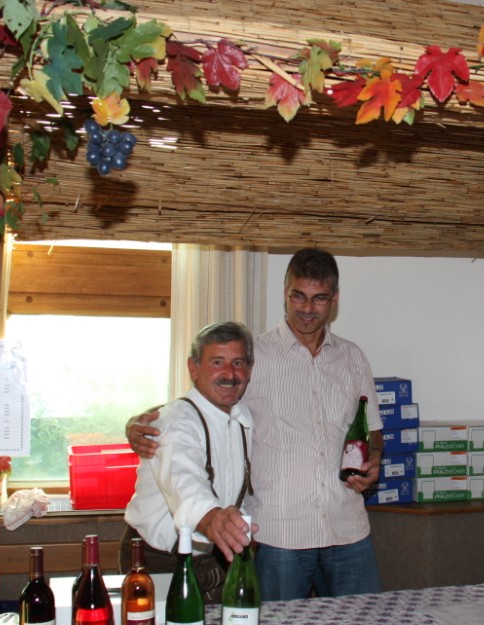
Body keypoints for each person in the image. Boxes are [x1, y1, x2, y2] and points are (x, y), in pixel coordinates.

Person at [126, 248, 384, 601]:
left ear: (334, 298)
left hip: (348, 528)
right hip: (278, 536)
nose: (307, 308)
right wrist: (139, 422)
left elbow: (372, 430)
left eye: (319, 298)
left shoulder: (353, 358)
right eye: (298, 296)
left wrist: (374, 459)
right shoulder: (252, 356)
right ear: (284, 292)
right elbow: (200, 404)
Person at [122, 321, 255, 604]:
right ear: (193, 369)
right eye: (217, 362)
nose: (229, 374)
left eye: (238, 363)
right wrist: (213, 520)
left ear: (249, 370)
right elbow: (185, 483)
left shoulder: (242, 417)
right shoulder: (175, 423)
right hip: (157, 560)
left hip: (213, 556)